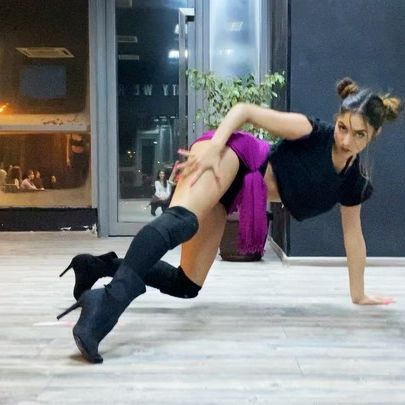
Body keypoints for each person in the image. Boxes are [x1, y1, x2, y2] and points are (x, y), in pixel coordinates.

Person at [57, 78, 402, 363]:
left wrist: (359, 294)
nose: (346, 140)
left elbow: (353, 235)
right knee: (182, 221)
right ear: (337, 120)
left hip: (236, 190)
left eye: (359, 134)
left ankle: (98, 266)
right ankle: (105, 306)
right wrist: (215, 145)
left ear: (374, 135)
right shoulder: (312, 131)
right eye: (343, 127)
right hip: (232, 154)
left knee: (186, 284)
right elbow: (245, 111)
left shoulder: (353, 182)